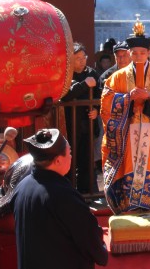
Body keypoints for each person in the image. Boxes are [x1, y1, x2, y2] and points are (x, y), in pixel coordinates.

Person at [101, 20, 150, 214]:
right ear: (129, 53)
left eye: (142, 53)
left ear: (148, 53)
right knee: (130, 162)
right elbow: (106, 100)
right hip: (127, 131)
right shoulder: (117, 77)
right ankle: (128, 204)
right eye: (134, 53)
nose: (138, 56)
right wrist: (127, 98)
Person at [12, 128, 108, 269]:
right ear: (57, 160)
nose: (71, 157)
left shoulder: (22, 186)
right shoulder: (63, 195)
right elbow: (92, 244)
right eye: (69, 153)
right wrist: (101, 247)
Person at [58, 42, 101, 194]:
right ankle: (69, 192)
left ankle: (88, 192)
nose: (82, 61)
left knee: (87, 158)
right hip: (70, 122)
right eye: (78, 58)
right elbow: (65, 95)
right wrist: (84, 85)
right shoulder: (66, 74)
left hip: (87, 123)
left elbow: (100, 96)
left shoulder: (92, 73)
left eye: (84, 57)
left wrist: (96, 110)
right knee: (69, 157)